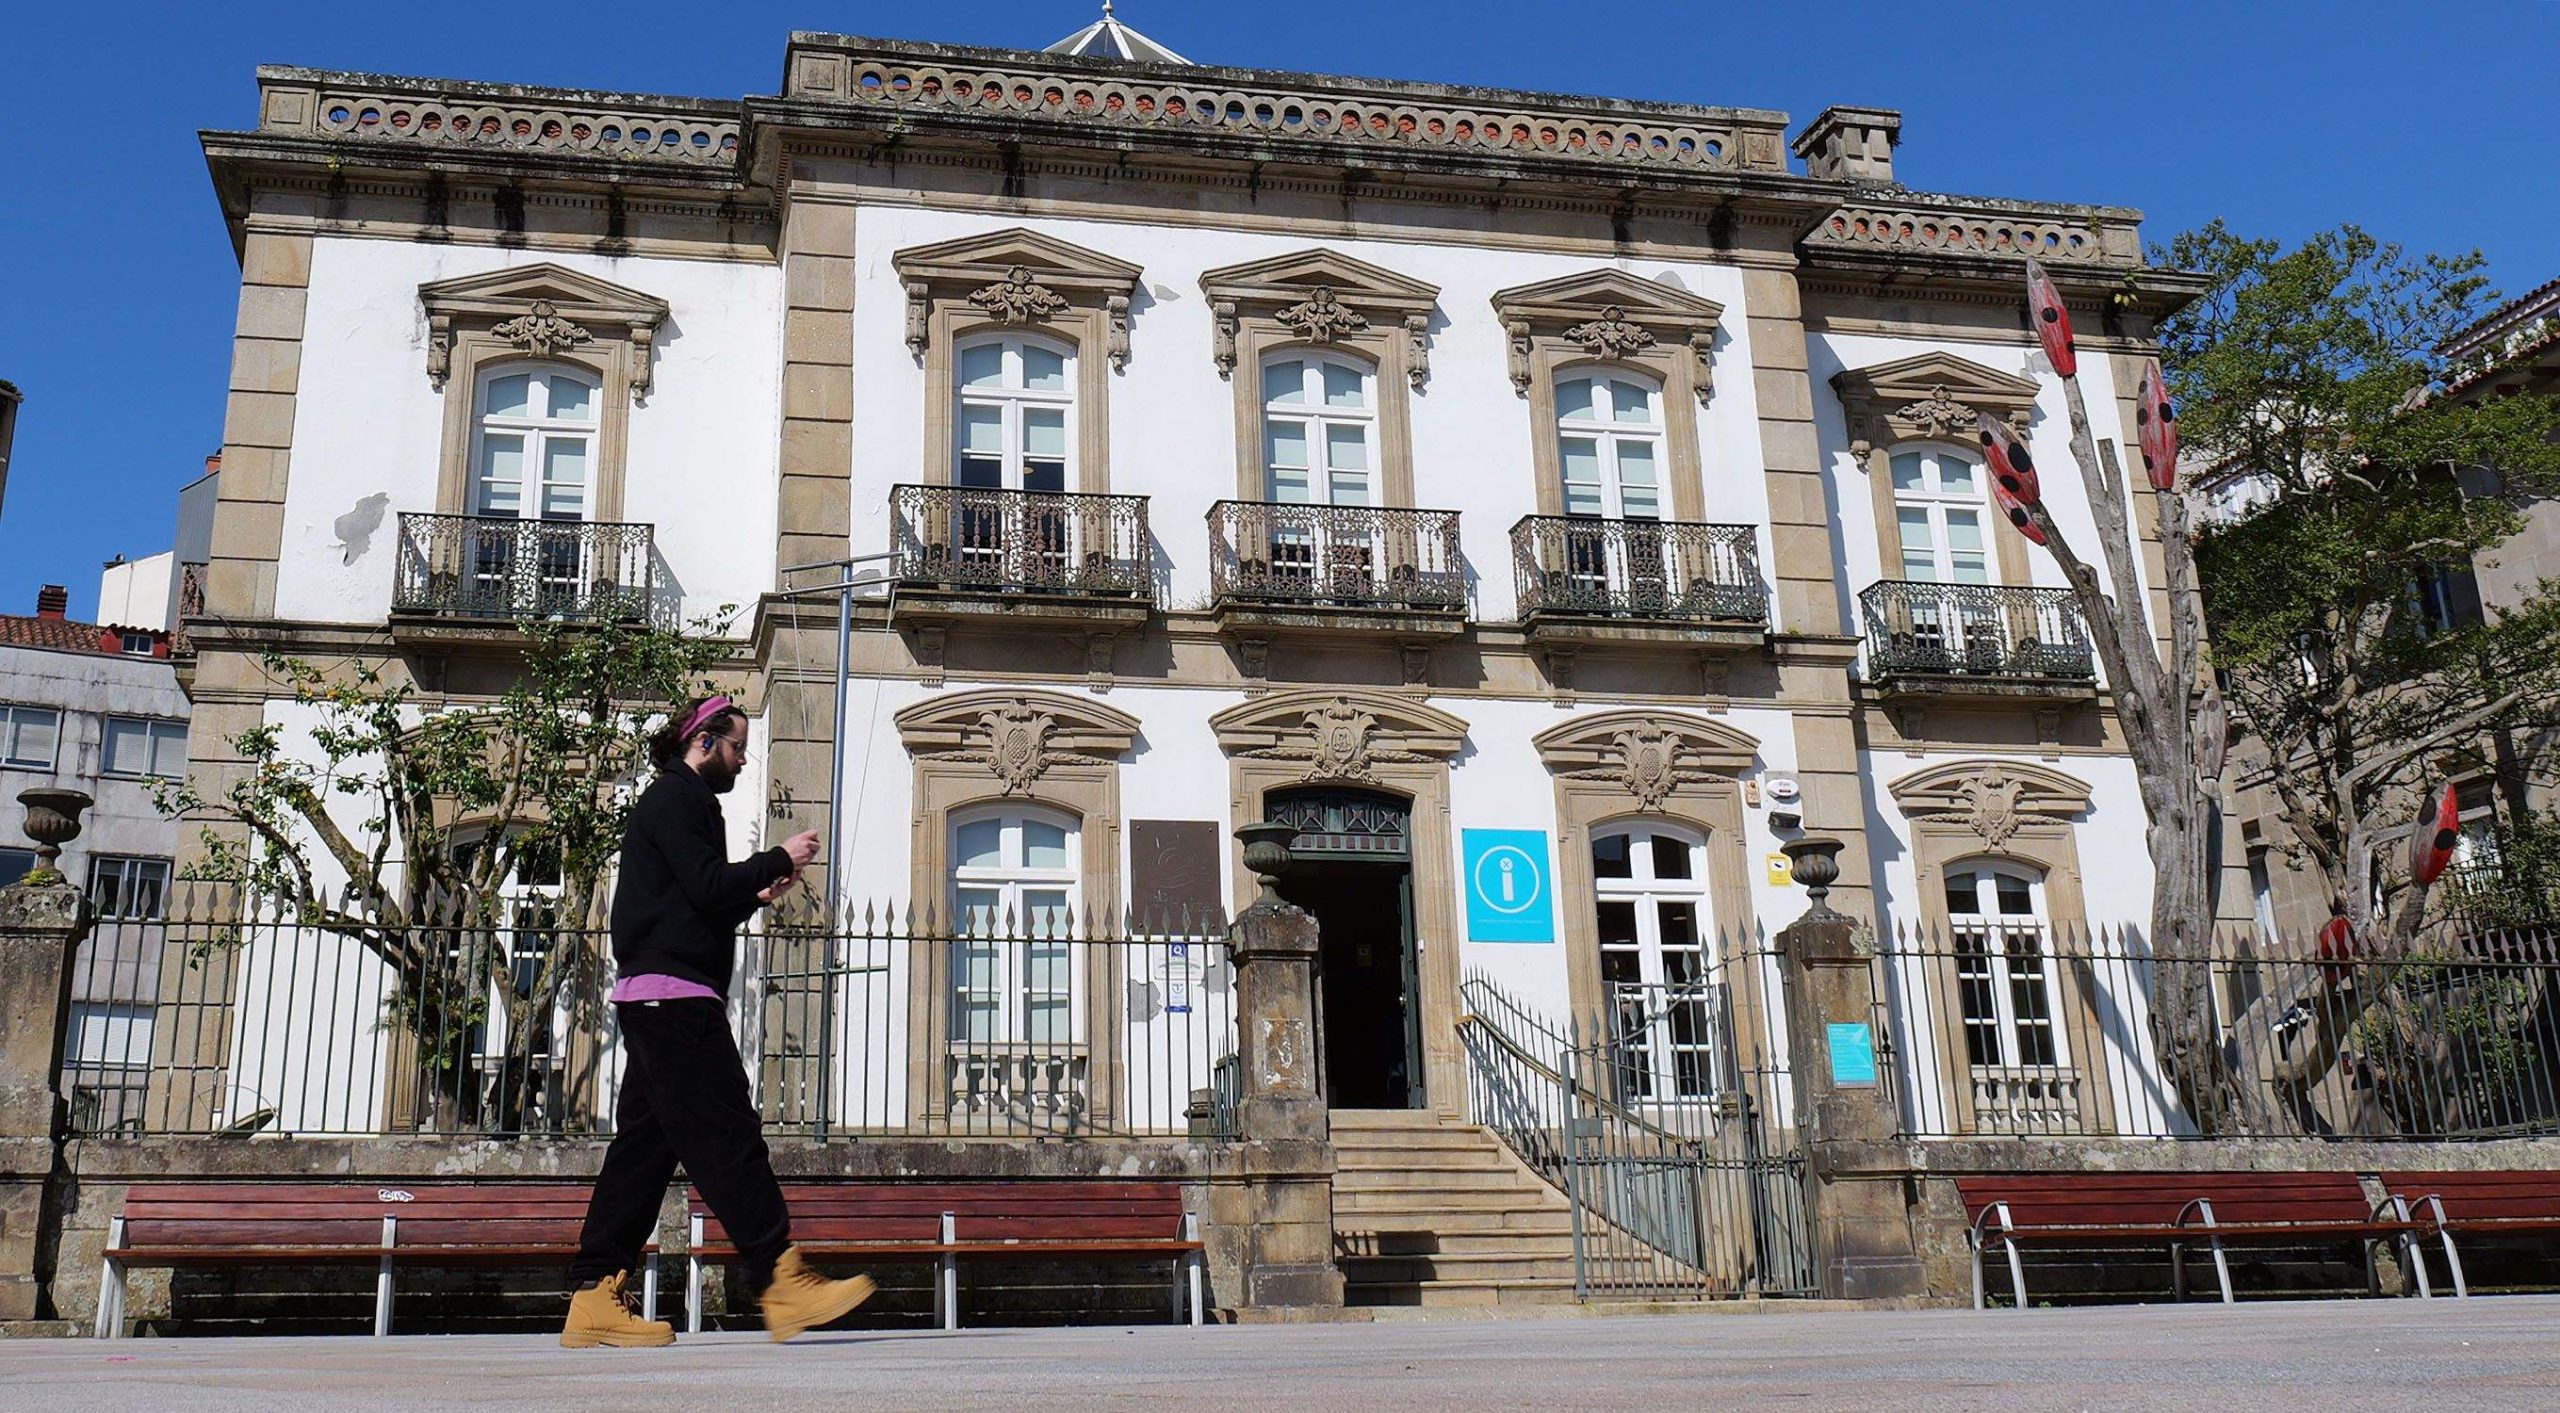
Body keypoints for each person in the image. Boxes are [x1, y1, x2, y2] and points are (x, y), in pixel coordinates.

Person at [562, 693, 877, 1347]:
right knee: (729, 1132)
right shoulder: (680, 798)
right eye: (735, 746)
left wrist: (754, 893)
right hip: (674, 1002)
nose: (740, 759)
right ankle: (783, 1278)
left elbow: (695, 904)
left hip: (661, 994)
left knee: (644, 1153)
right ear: (703, 739)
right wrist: (778, 858)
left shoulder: (677, 801)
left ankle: (594, 1294)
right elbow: (706, 887)